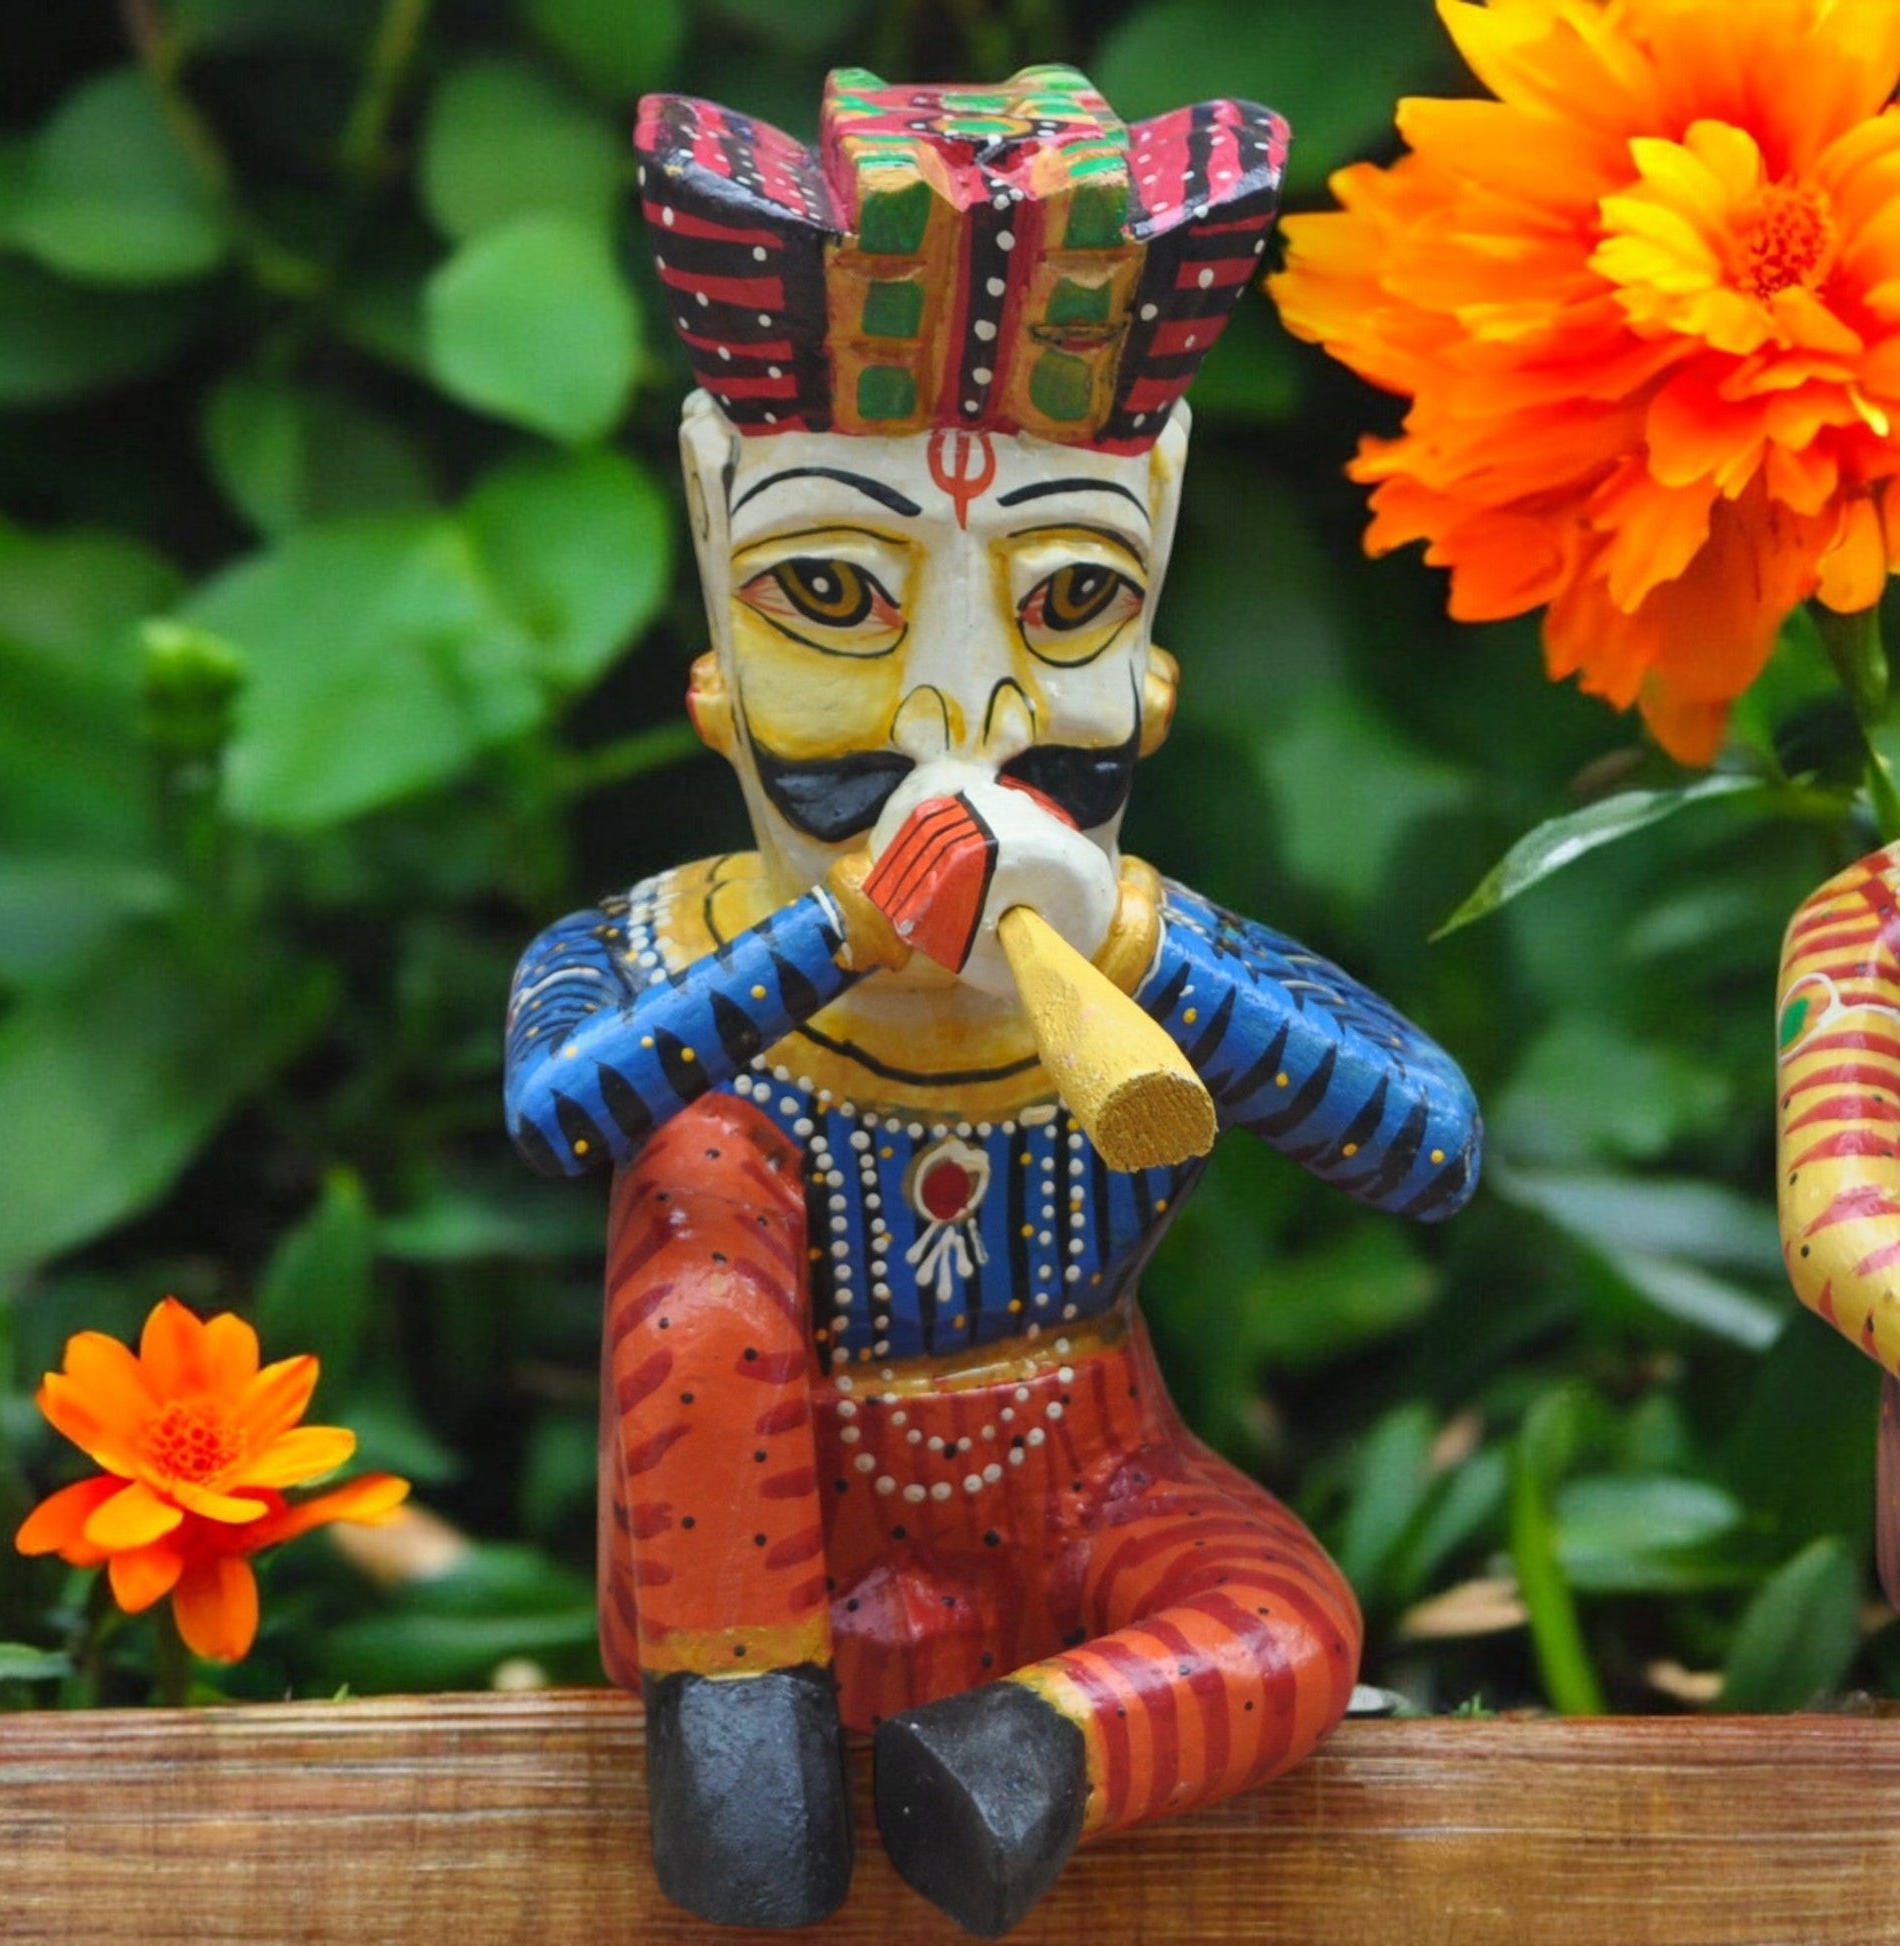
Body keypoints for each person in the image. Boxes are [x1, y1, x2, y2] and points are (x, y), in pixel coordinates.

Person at [505, 64, 1480, 1937]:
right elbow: (562, 1113)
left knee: (1289, 1631)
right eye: (831, 595)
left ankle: (1020, 1762)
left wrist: (1127, 947)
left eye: (1060, 606)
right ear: (717, 651)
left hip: (1085, 1482)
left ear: (1154, 664)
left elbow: (1426, 1141)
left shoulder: (1137, 942)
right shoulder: (658, 949)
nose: (964, 714)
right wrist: (825, 942)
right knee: (700, 1174)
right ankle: (742, 1742)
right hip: (757, 1548)